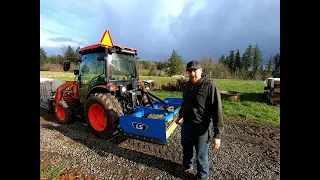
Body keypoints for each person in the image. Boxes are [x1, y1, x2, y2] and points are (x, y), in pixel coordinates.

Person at [175, 60, 224, 180]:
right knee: (186, 149)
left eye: (195, 71)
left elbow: (217, 110)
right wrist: (180, 115)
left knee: (201, 155)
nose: (192, 74)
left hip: (201, 127)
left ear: (201, 71)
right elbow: (185, 103)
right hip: (186, 125)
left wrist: (217, 135)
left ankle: (202, 176)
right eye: (189, 71)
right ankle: (187, 166)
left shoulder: (209, 86)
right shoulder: (187, 86)